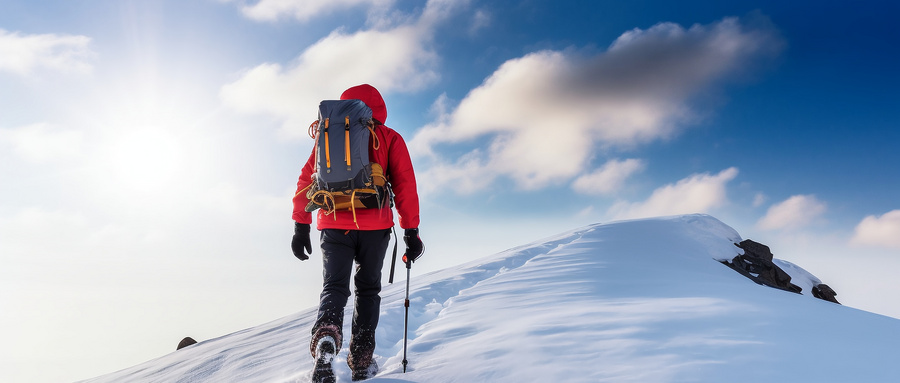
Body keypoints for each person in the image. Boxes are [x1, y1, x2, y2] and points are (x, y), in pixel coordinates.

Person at [291, 84, 424, 382]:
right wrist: (410, 230)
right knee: (367, 290)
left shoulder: (329, 137)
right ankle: (361, 360)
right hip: (375, 228)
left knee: (334, 287)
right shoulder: (389, 137)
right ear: (379, 107)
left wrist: (301, 224)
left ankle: (326, 338)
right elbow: (405, 186)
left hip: (333, 222)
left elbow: (305, 179)